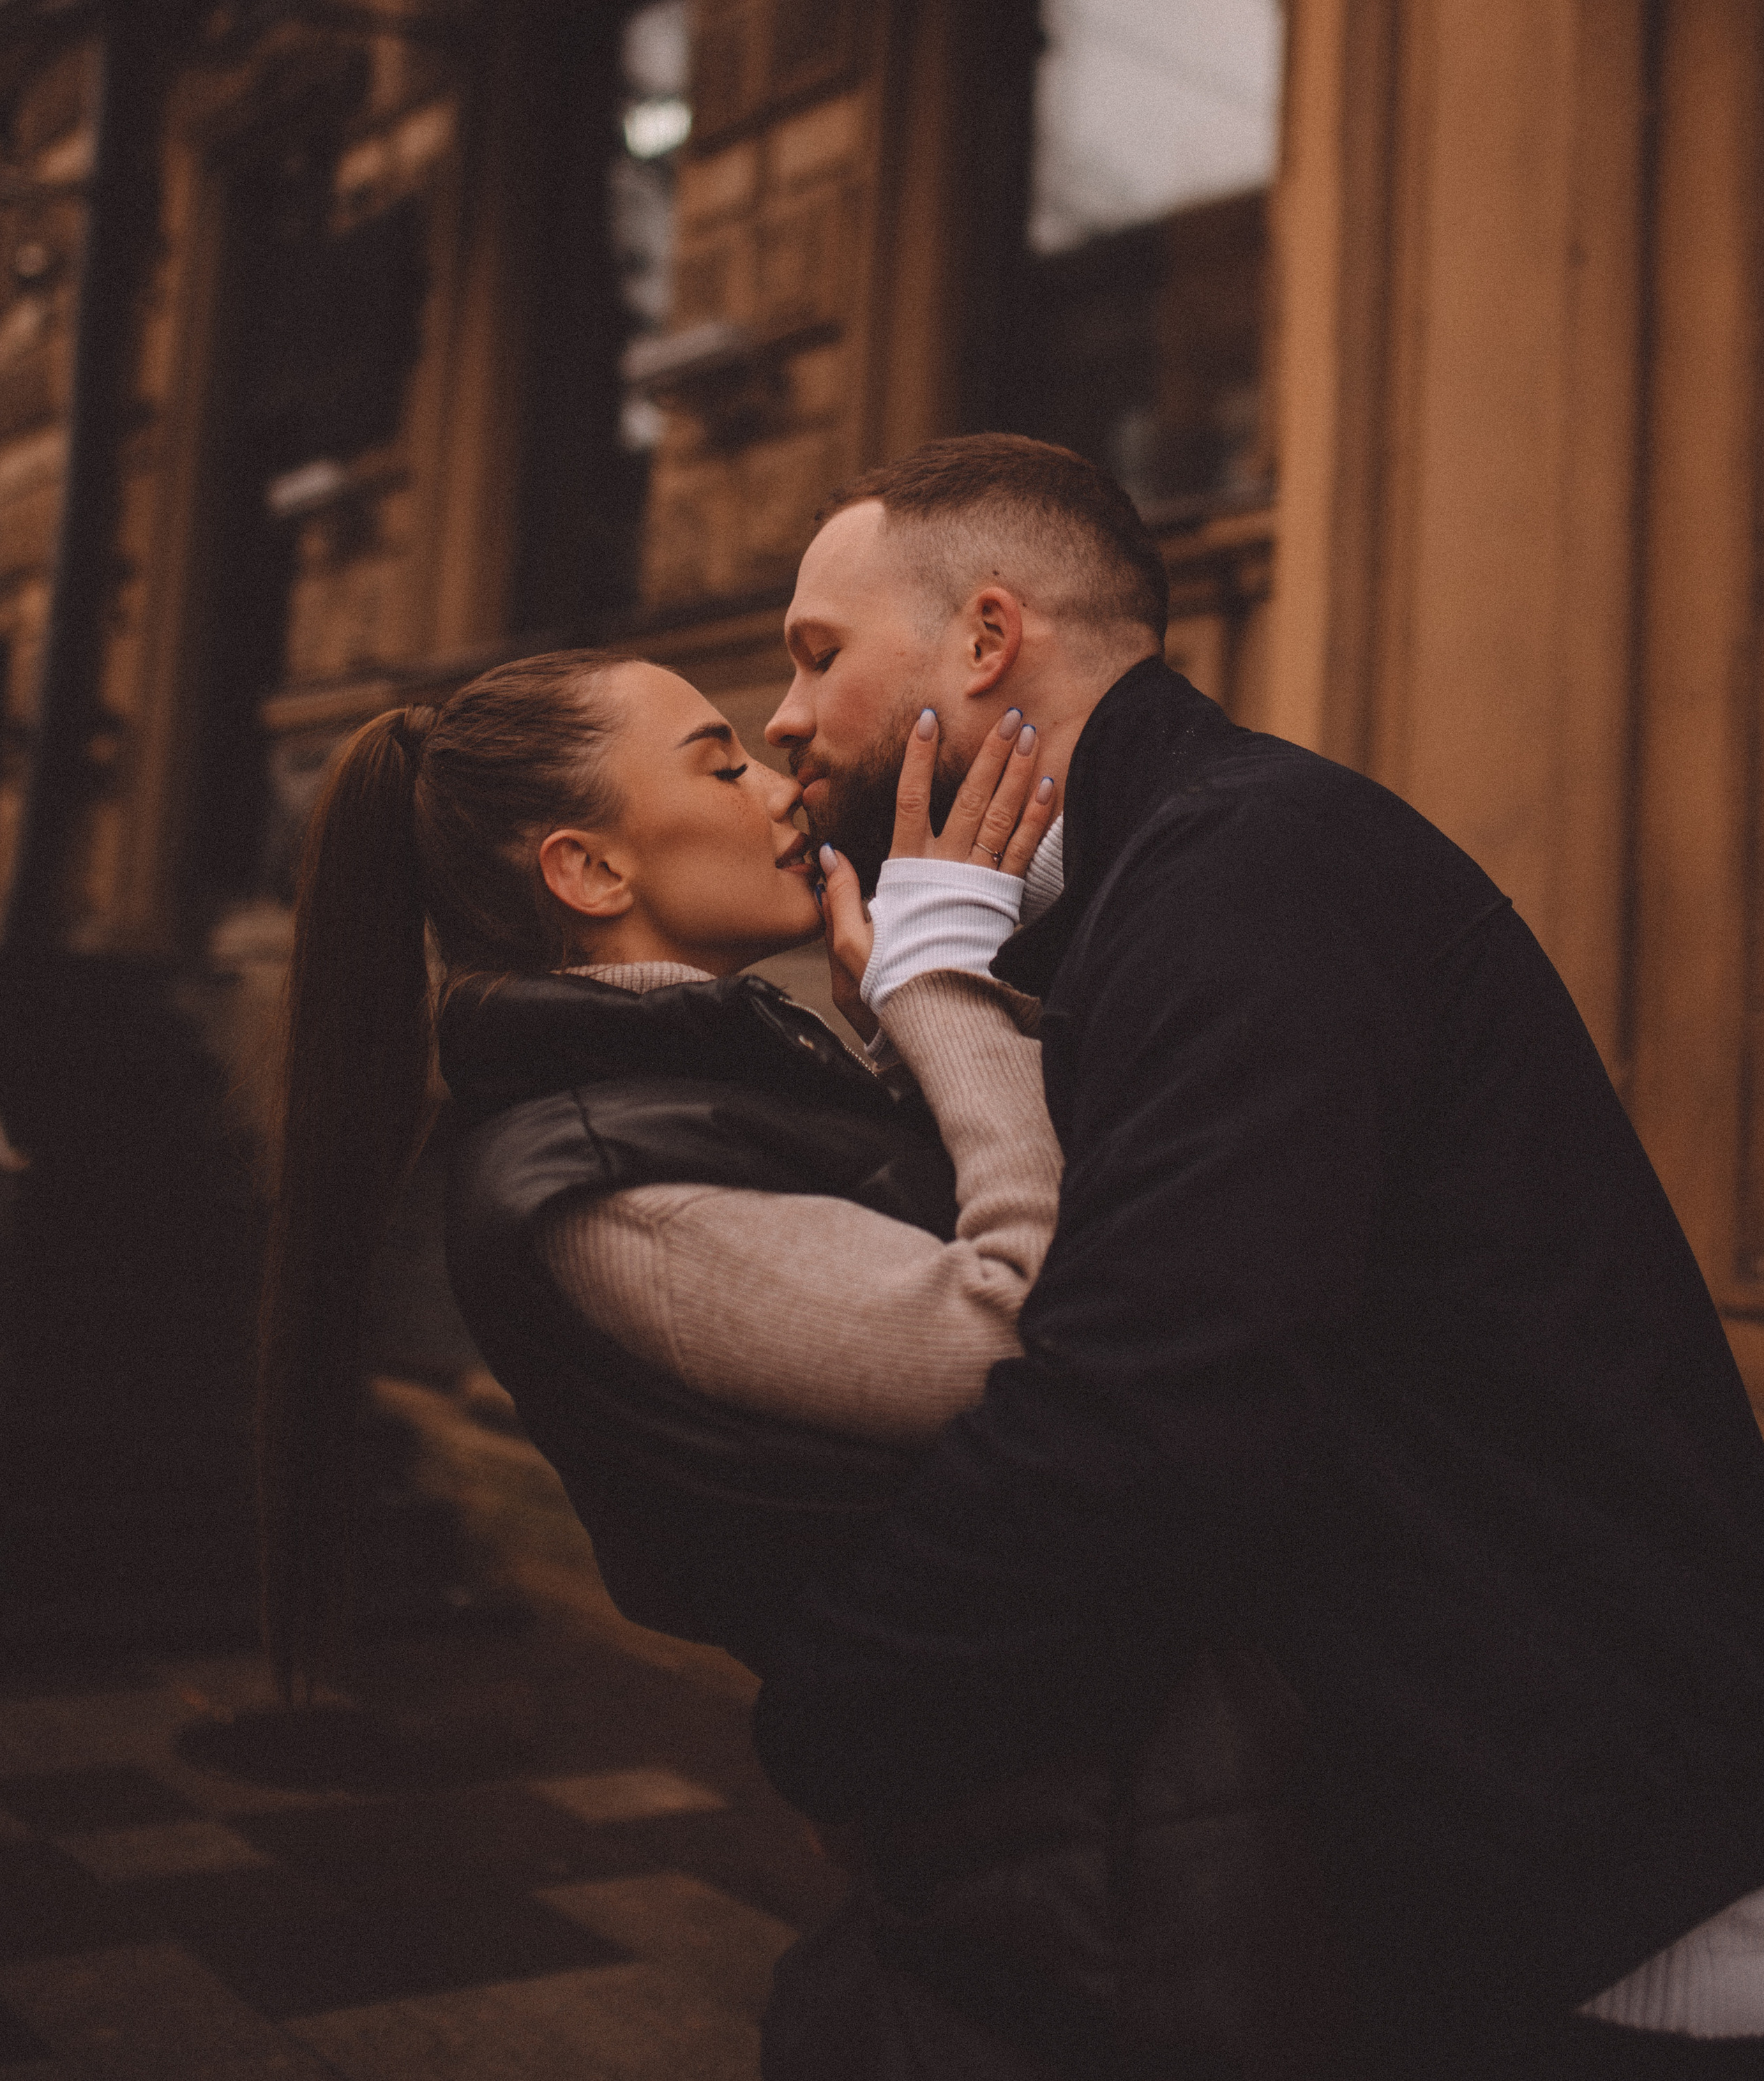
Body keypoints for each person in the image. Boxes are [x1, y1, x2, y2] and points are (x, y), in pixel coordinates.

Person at [751, 431, 1764, 2080]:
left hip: (1620, 1896)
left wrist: (833, 1718)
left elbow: (1149, 1409)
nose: (784, 719)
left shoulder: (1249, 870)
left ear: (986, 639)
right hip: (1472, 1850)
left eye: (817, 654)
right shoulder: (1129, 895)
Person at [256, 647, 1338, 2080]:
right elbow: (1018, 1336)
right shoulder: (603, 1183)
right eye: (719, 763)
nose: (783, 789)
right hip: (1083, 1859)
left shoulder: (686, 1083)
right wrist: (939, 990)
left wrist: (901, 1028)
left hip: (1101, 1798)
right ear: (585, 871)